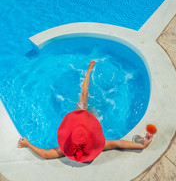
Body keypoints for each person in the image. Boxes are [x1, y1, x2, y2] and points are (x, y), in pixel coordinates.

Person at [18, 61, 153, 161]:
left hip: (83, 126)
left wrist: (28, 144)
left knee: (83, 99)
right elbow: (119, 143)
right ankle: (89, 76)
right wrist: (141, 146)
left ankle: (88, 75)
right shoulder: (96, 144)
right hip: (89, 121)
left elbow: (46, 154)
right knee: (85, 100)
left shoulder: (66, 149)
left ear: (71, 134)